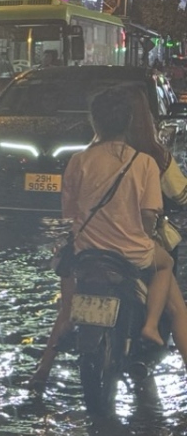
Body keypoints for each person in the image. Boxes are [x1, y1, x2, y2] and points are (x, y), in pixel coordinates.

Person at [28, 86, 187, 385]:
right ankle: (151, 326)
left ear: (94, 122)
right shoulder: (147, 161)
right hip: (132, 251)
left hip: (86, 249)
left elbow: (71, 212)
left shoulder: (79, 160)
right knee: (165, 268)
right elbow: (150, 214)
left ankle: (42, 370)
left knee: (67, 308)